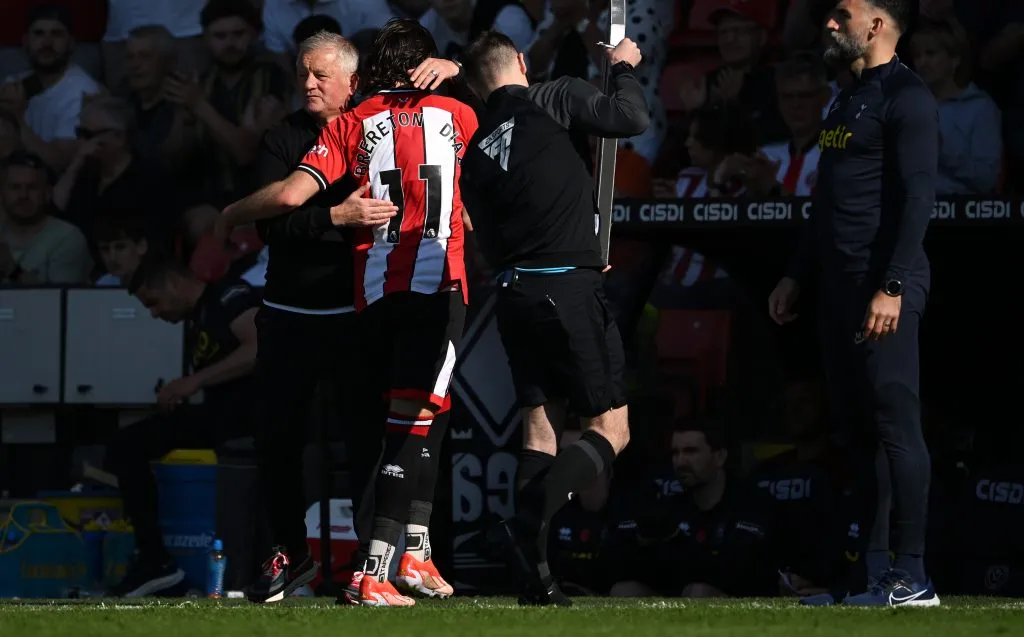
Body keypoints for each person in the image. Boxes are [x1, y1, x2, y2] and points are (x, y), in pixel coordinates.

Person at [217, 19, 478, 607]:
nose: (308, 84)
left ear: (354, 81)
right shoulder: (288, 138)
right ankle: (300, 551)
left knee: (373, 437)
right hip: (296, 310)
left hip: (360, 309)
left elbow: (289, 200)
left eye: (320, 75)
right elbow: (276, 221)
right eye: (303, 74)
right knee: (283, 440)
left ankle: (377, 558)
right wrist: (335, 219)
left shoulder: (358, 127)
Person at [456, 31, 648, 606]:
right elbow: (629, 119)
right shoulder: (554, 95)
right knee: (612, 430)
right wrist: (623, 68)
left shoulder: (476, 149)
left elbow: (488, 235)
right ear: (520, 62)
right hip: (566, 287)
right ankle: (522, 524)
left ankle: (532, 579)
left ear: (473, 85)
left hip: (513, 294)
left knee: (539, 429)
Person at [767, 0, 939, 607]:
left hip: (884, 285)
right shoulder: (844, 97)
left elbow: (920, 198)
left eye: (843, 14)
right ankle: (869, 575)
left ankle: (912, 576)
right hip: (838, 289)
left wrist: (891, 286)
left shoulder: (908, 96)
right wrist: (795, 275)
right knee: (856, 432)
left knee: (896, 426)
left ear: (878, 24)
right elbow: (826, 201)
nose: (830, 24)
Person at [107, 254, 260, 597]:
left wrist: (194, 382)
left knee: (129, 444)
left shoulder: (227, 297)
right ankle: (154, 560)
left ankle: (158, 563)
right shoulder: (197, 318)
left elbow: (260, 345)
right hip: (220, 417)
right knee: (126, 444)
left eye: (154, 303)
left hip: (250, 420)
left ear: (174, 282)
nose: (155, 313)